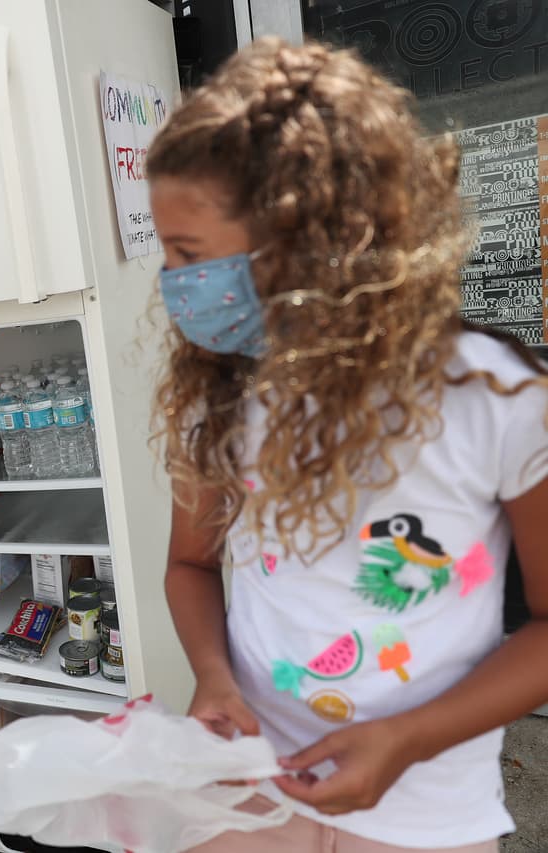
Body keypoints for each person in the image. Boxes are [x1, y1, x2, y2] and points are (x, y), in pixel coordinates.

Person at [148, 40, 548, 852]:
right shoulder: (220, 395)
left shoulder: (494, 400)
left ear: (311, 239)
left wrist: (408, 739)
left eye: (189, 257)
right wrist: (214, 675)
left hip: (426, 807)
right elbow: (190, 564)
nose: (173, 284)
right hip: (252, 786)